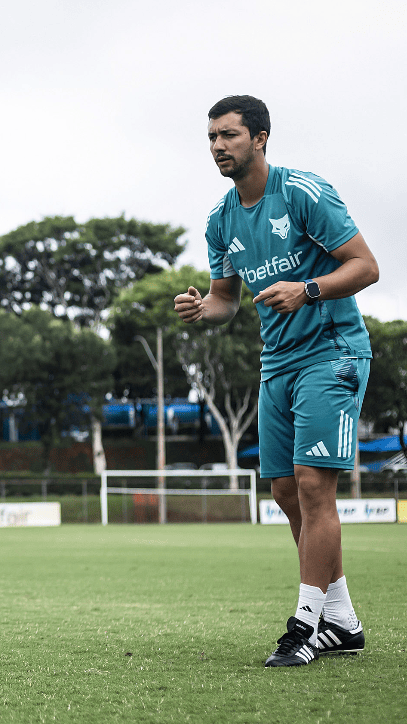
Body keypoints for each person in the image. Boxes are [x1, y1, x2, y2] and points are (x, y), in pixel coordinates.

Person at [176, 95, 377, 667]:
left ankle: (306, 625)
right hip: (278, 365)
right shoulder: (220, 219)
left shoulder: (303, 193)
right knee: (285, 492)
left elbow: (366, 266)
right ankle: (341, 619)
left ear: (260, 138)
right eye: (212, 136)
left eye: (230, 135)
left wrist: (307, 288)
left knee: (314, 486)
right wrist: (200, 308)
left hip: (331, 353)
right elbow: (224, 301)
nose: (218, 146)